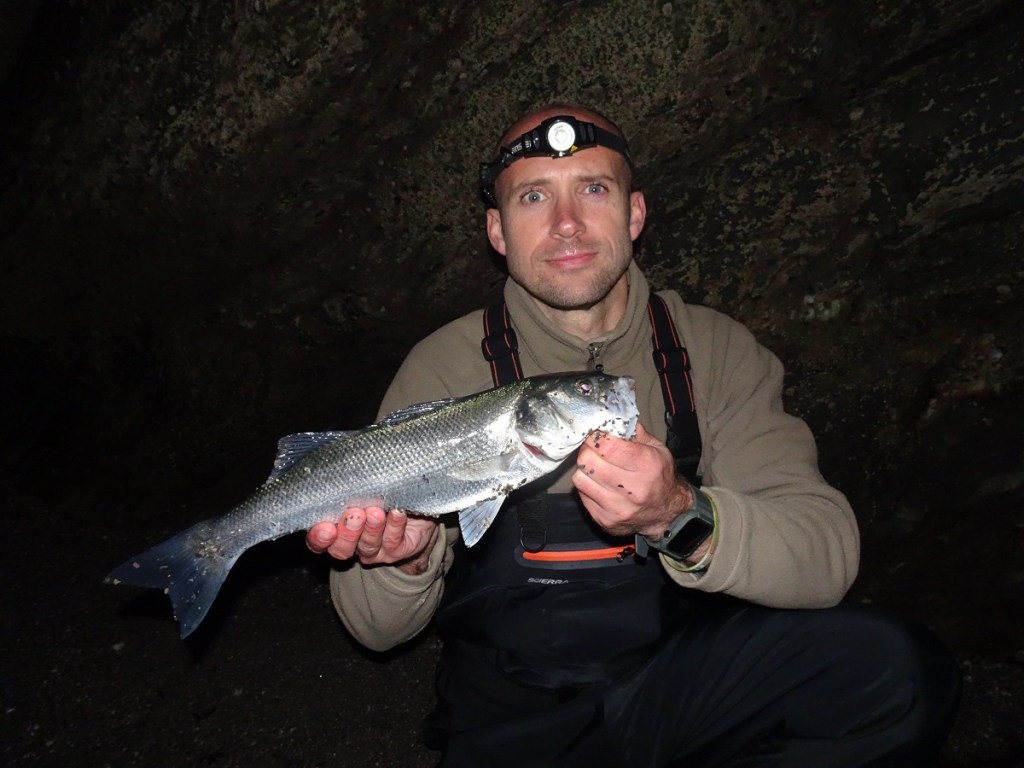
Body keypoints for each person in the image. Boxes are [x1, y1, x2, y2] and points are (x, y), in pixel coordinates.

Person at [307, 103, 960, 767]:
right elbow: (375, 631)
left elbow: (825, 560)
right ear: (497, 231)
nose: (567, 223)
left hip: (684, 687)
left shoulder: (715, 349)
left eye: (593, 189)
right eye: (533, 197)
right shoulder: (444, 366)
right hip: (514, 711)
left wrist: (679, 513)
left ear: (635, 213)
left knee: (895, 675)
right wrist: (404, 561)